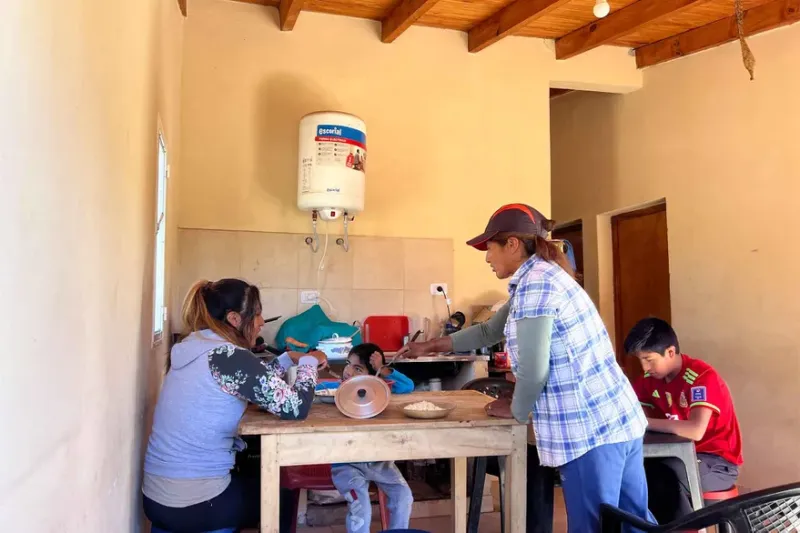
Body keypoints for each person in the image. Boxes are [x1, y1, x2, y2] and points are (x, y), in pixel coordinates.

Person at [398, 203, 654, 533]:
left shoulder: (537, 285)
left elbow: (534, 370)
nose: (487, 258)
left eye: (489, 248)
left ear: (513, 244)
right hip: (617, 418)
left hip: (589, 429)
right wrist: (429, 346)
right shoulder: (541, 277)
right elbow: (489, 331)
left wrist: (517, 410)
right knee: (636, 524)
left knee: (593, 527)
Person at [142, 279, 327, 532]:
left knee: (249, 474)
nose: (262, 321)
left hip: (156, 497)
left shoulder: (194, 345)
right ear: (234, 318)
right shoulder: (228, 355)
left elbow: (247, 385)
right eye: (257, 313)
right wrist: (309, 362)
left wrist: (285, 359)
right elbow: (295, 407)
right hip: (194, 502)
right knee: (282, 493)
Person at [625, 318, 743, 524]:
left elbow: (695, 430)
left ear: (670, 352)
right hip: (675, 456)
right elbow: (637, 415)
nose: (645, 368)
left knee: (664, 475)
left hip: (717, 464)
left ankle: (682, 529)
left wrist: (644, 422)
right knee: (637, 471)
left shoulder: (701, 377)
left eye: (649, 359)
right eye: (640, 361)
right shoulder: (648, 382)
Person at [331, 343, 414, 533]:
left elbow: (407, 386)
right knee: (362, 510)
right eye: (348, 364)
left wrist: (382, 370)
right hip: (345, 463)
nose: (348, 372)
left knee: (404, 496)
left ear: (372, 376)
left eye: (357, 368)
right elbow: (317, 389)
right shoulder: (336, 391)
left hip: (378, 461)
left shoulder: (380, 394)